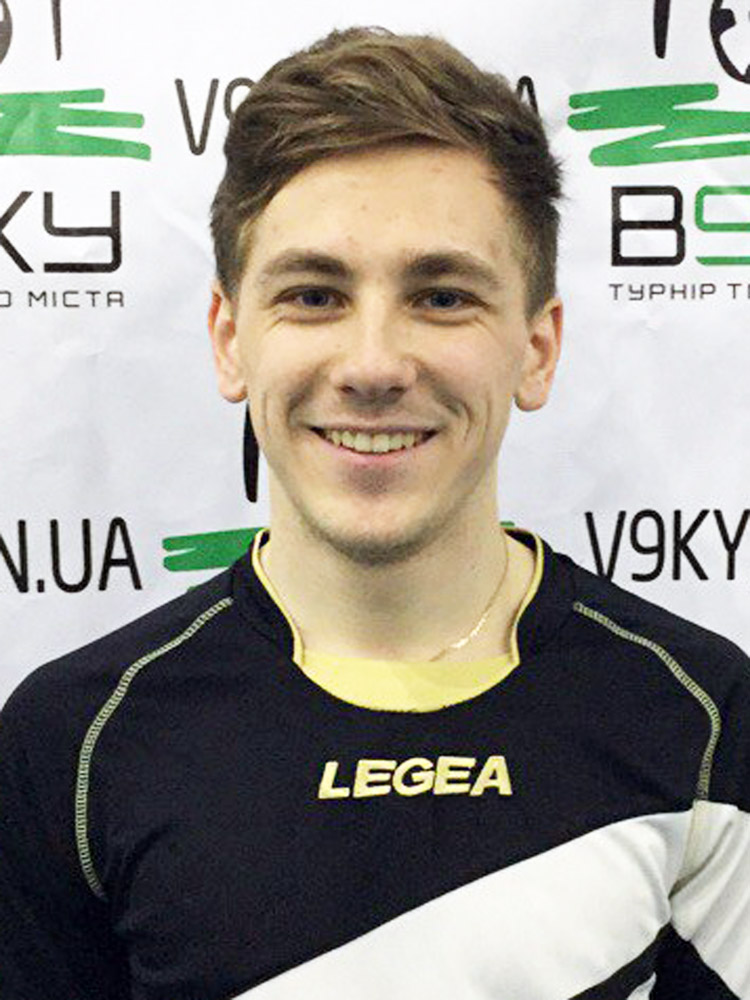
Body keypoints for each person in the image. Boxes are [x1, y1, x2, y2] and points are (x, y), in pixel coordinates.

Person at [1, 25, 748, 1000]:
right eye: (315, 295)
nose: (373, 366)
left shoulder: (704, 716)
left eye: (441, 296)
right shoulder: (75, 740)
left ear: (537, 348)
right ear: (230, 339)